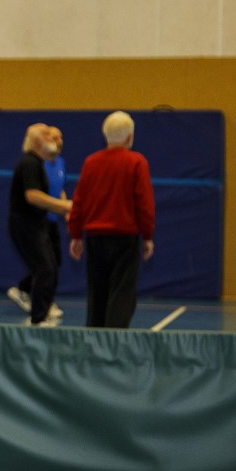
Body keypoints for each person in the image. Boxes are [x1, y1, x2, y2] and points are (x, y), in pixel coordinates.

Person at [68, 111, 154, 328]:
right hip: (125, 237)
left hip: (96, 237)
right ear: (129, 137)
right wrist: (148, 236)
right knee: (122, 291)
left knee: (97, 292)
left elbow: (79, 201)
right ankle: (114, 342)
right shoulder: (137, 162)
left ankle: (95, 338)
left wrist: (76, 234)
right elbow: (144, 202)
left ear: (105, 135)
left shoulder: (91, 162)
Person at [8, 123, 72, 326]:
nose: (53, 139)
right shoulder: (30, 163)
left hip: (38, 223)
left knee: (50, 266)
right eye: (47, 135)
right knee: (45, 268)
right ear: (37, 141)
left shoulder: (40, 162)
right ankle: (37, 318)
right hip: (25, 224)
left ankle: (41, 314)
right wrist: (64, 205)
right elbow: (32, 195)